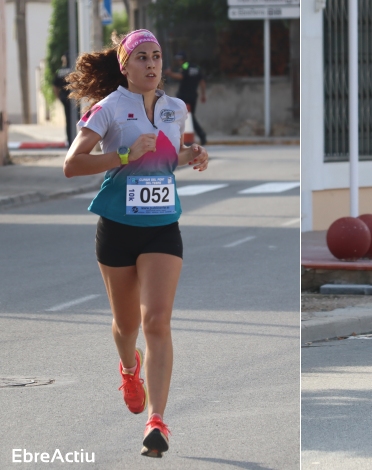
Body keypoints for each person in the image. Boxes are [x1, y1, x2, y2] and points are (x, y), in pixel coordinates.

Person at [63, 29, 209, 458]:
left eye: (157, 56)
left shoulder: (175, 108)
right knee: (127, 328)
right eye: (141, 57)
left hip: (163, 224)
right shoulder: (107, 109)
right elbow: (72, 165)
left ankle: (157, 421)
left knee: (157, 321)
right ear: (124, 66)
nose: (151, 64)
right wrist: (123, 156)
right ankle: (130, 369)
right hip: (117, 226)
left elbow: (167, 158)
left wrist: (193, 154)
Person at [163, 52, 207, 145]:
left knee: (183, 116)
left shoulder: (185, 66)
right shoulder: (196, 67)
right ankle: (200, 135)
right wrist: (203, 95)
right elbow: (202, 82)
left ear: (181, 60)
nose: (178, 62)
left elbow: (181, 76)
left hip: (184, 95)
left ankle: (199, 135)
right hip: (193, 95)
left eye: (178, 60)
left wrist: (170, 74)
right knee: (190, 116)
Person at [52, 53, 74, 145]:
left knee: (69, 121)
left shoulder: (60, 71)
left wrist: (59, 98)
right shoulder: (74, 69)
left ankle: (70, 141)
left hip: (65, 98)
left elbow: (55, 86)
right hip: (75, 98)